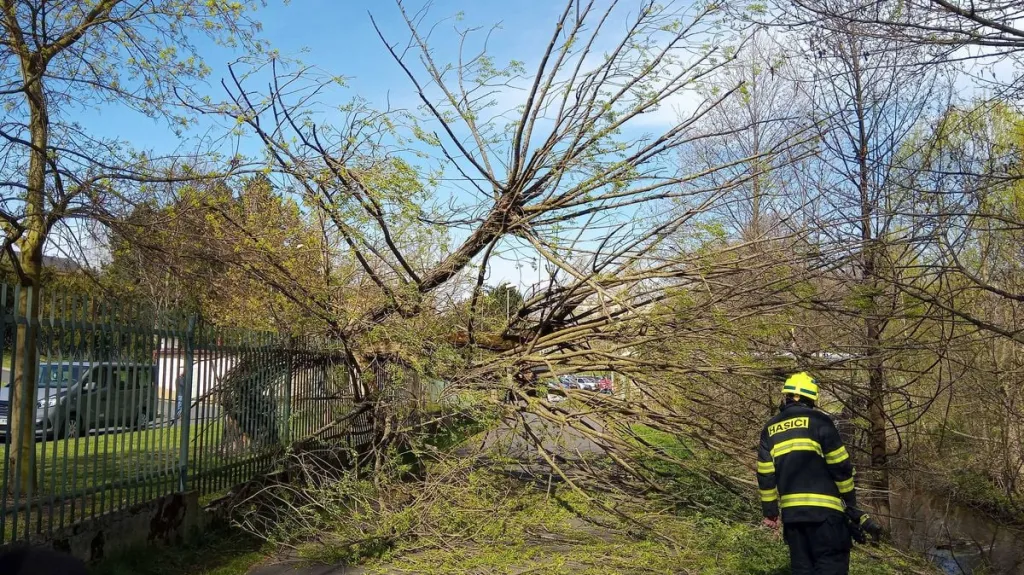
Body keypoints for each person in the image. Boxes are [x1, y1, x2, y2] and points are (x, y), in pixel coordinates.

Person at [756, 372, 882, 575]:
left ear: (787, 396)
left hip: (794, 520)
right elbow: (840, 466)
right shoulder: (820, 421)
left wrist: (770, 512)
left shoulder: (770, 429)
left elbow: (765, 474)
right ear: (810, 399)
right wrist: (851, 504)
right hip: (827, 518)